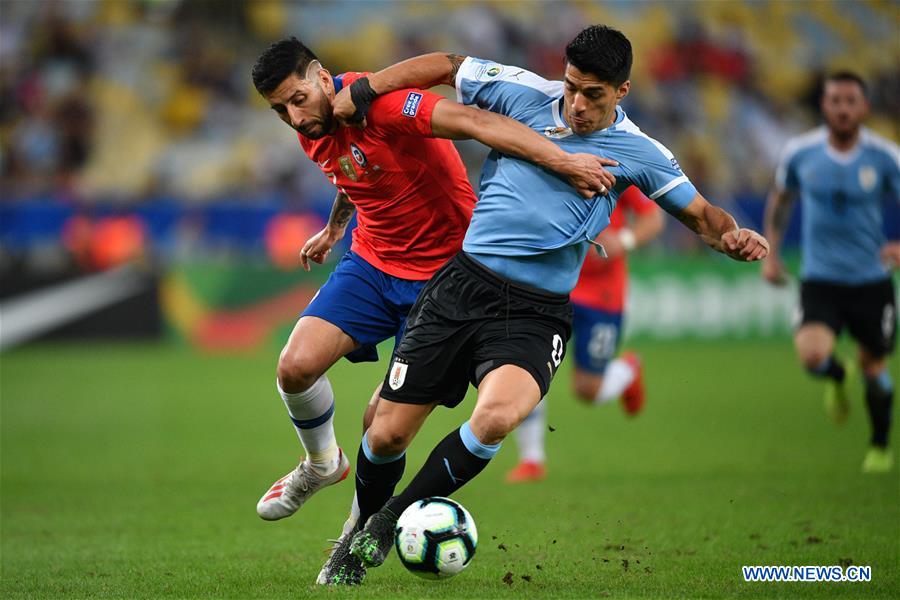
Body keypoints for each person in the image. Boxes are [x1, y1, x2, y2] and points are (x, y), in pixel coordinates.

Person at [320, 25, 769, 585]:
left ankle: (384, 527)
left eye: (594, 95)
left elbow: (704, 217)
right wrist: (369, 89)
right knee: (385, 435)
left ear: (622, 92)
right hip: (461, 289)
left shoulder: (643, 153)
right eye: (572, 87)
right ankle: (356, 526)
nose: (577, 105)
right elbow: (445, 62)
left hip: (536, 312)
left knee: (496, 418)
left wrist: (733, 237)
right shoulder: (522, 91)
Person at [249, 37, 613, 535]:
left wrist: (563, 160)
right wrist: (336, 227)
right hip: (373, 261)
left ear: (319, 75)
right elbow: (349, 170)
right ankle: (320, 464)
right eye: (279, 110)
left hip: (444, 278)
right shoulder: (311, 126)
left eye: (297, 99)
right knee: (293, 367)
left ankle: (355, 533)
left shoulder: (384, 105)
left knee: (382, 428)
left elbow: (476, 123)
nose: (293, 117)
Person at [763, 71, 899, 474]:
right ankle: (838, 376)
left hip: (871, 281)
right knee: (812, 357)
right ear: (824, 106)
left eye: (850, 101)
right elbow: (782, 197)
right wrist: (771, 251)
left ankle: (879, 446)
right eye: (835, 101)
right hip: (820, 279)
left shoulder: (884, 155)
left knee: (875, 370)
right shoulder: (801, 153)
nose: (842, 108)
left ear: (864, 108)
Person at [506, 185, 664, 483]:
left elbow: (653, 219)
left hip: (604, 296)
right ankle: (532, 460)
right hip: (553, 286)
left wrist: (624, 239)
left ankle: (628, 370)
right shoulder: (549, 159)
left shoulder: (616, 167)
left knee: (587, 391)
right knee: (528, 366)